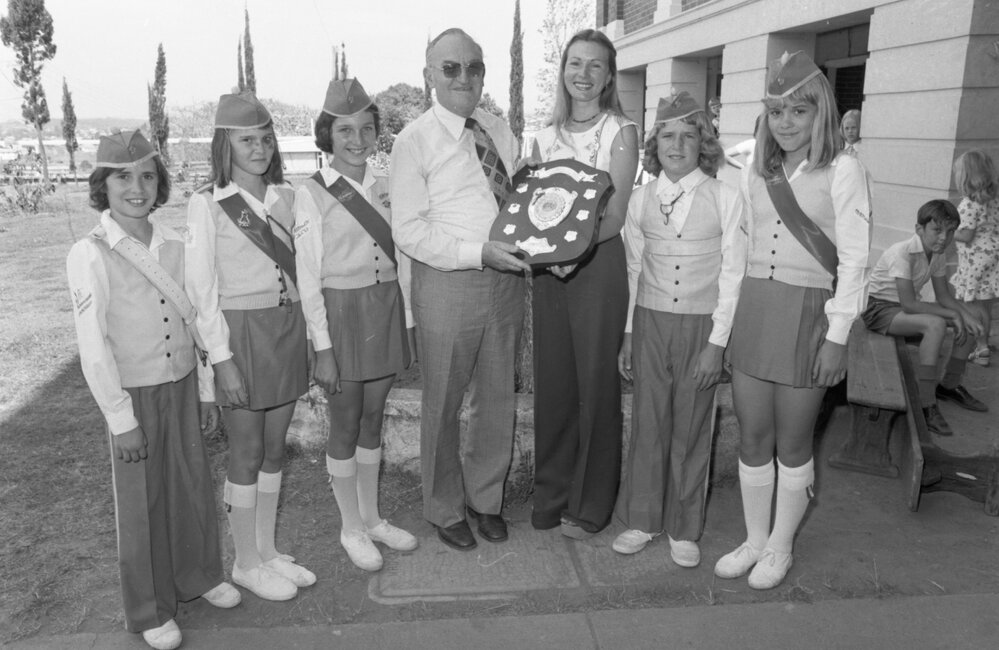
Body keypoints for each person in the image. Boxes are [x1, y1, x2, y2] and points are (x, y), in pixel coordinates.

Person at [67, 130, 239, 650]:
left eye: (146, 176)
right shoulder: (89, 253)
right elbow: (92, 345)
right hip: (134, 394)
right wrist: (120, 418)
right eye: (122, 177)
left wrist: (207, 389)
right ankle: (149, 608)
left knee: (191, 484)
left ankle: (199, 576)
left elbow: (196, 323)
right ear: (103, 185)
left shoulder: (174, 246)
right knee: (142, 502)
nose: (136, 188)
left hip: (183, 383)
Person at [713, 51, 872, 590]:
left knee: (793, 442)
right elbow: (736, 256)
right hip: (755, 309)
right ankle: (755, 540)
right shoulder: (753, 170)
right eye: (776, 111)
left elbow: (854, 261)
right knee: (752, 437)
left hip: (809, 314)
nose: (786, 123)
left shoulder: (845, 168)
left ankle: (780, 546)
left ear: (819, 112)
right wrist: (721, 331)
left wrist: (838, 337)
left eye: (798, 111)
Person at [390, 28, 530, 551]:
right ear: (429, 75)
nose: (463, 77)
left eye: (474, 66)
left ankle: (485, 499)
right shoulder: (414, 141)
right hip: (448, 283)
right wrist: (477, 254)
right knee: (444, 401)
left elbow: (515, 201)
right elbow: (408, 230)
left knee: (497, 398)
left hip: (505, 283)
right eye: (450, 68)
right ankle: (444, 507)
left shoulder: (497, 128)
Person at [186, 92, 315, 600]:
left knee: (275, 448)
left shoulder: (286, 196)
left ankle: (265, 550)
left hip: (285, 327)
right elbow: (202, 292)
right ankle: (243, 561)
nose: (258, 149)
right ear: (226, 145)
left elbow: (304, 271)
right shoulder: (207, 203)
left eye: (265, 139)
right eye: (246, 140)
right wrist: (222, 361)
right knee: (246, 450)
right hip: (239, 334)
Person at [613, 92, 747, 566]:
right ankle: (642, 520)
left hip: (699, 325)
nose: (676, 145)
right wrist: (629, 333)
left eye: (688, 136)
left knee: (691, 425)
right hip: (649, 322)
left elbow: (733, 275)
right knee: (648, 422)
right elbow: (633, 268)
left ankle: (684, 527)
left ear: (703, 144)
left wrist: (717, 343)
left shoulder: (727, 197)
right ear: (655, 144)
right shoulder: (639, 199)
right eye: (667, 136)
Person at [295, 78, 418, 571]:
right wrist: (321, 345)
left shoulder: (389, 188)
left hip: (384, 308)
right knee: (345, 423)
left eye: (366, 129)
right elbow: (306, 276)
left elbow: (404, 258)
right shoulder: (312, 194)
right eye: (344, 130)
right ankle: (350, 526)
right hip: (341, 315)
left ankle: (372, 518)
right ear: (327, 134)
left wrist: (407, 320)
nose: (357, 139)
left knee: (374, 418)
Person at [529, 28, 639, 539]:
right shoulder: (543, 137)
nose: (584, 74)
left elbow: (614, 214)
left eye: (596, 65)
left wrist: (575, 254)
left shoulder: (621, 130)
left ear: (609, 75)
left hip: (596, 267)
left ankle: (590, 504)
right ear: (564, 71)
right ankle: (551, 493)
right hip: (549, 272)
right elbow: (535, 209)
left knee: (596, 386)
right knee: (554, 384)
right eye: (576, 63)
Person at [862, 199, 988, 435]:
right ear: (919, 229)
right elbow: (910, 304)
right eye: (937, 230)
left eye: (950, 231)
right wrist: (952, 315)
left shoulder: (937, 254)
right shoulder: (902, 252)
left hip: (903, 309)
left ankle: (949, 385)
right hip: (879, 309)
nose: (944, 238)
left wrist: (964, 316)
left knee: (972, 321)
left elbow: (944, 296)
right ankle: (926, 402)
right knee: (936, 325)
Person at [950, 150, 999, 366]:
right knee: (985, 305)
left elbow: (967, 234)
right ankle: (984, 341)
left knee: (974, 307)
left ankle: (981, 348)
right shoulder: (993, 199)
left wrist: (950, 231)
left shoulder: (969, 203)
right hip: (992, 256)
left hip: (975, 260)